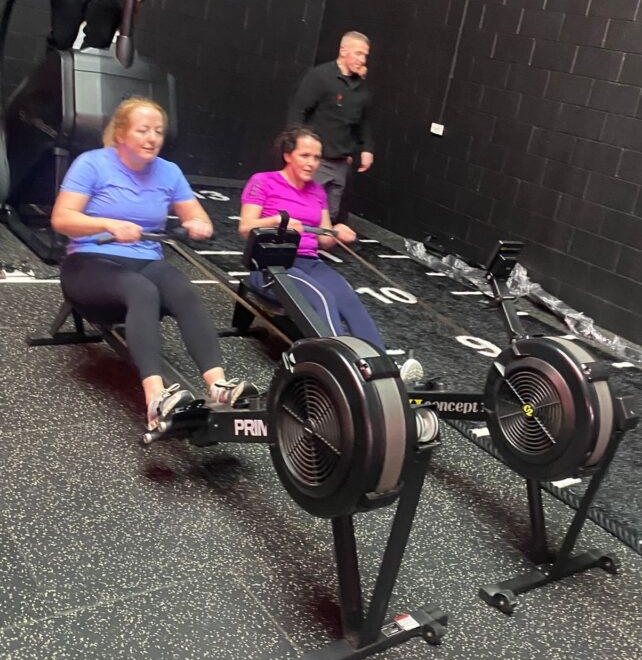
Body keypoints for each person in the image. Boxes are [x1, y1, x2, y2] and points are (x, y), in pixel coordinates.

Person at [51, 97, 258, 430]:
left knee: (182, 290)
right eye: (143, 130)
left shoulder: (169, 171)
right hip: (89, 262)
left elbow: (197, 215)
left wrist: (198, 224)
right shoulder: (92, 164)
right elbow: (61, 219)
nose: (152, 138)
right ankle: (155, 397)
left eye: (158, 132)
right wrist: (108, 224)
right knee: (142, 291)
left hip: (146, 260)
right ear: (121, 133)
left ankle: (218, 385)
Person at [238, 125, 422, 384]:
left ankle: (384, 368)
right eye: (305, 156)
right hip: (271, 264)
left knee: (349, 300)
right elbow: (245, 228)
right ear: (288, 155)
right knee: (322, 298)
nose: (311, 163)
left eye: (316, 158)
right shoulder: (264, 181)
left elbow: (323, 239)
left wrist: (338, 232)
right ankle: (345, 368)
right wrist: (278, 221)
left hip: (310, 262)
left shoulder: (317, 190)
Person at [288, 31, 374, 222]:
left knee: (331, 212)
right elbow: (298, 111)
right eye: (358, 53)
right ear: (343, 51)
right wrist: (295, 146)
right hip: (317, 159)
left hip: (341, 161)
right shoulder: (320, 76)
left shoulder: (361, 87)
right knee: (306, 208)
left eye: (365, 55)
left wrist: (367, 149)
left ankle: (320, 238)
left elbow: (363, 120)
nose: (362, 60)